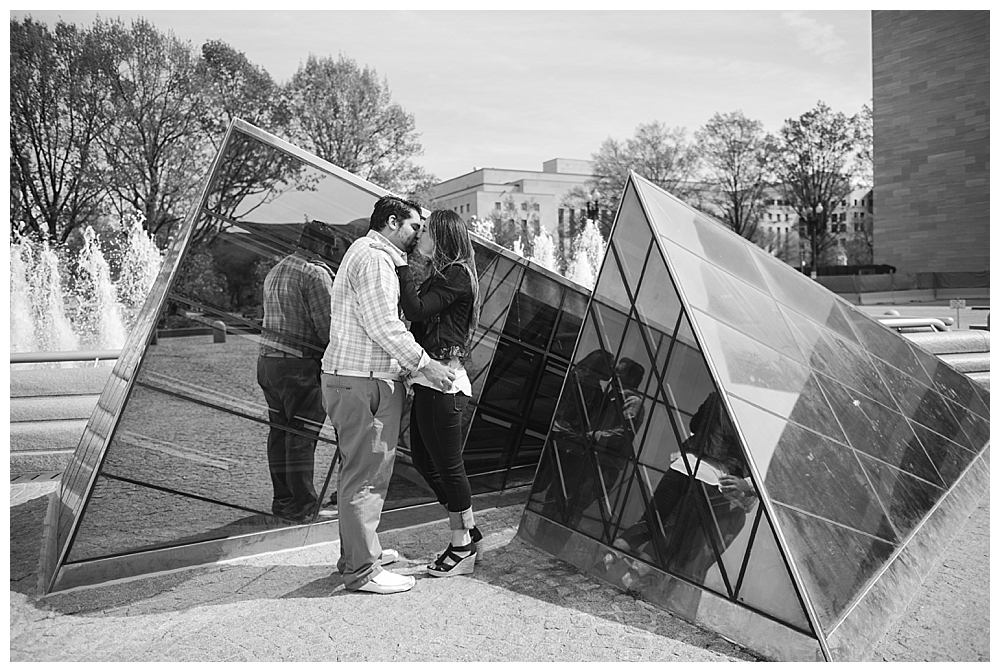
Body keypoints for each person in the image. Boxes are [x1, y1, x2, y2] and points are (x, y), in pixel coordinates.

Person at [321, 195, 455, 595]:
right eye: (415, 226)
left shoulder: (363, 252)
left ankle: (359, 556)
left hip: (353, 378)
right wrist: (424, 364)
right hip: (365, 382)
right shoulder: (376, 259)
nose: (418, 235)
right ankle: (363, 572)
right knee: (366, 478)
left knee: (357, 474)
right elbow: (383, 324)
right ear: (393, 222)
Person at [396, 209, 483, 577]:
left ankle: (462, 546)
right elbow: (417, 320)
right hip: (429, 380)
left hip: (444, 384)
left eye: (427, 231)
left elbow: (415, 307)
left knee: (448, 467)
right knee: (424, 461)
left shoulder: (459, 275)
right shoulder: (443, 274)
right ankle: (469, 527)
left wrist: (398, 265)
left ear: (444, 236)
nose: (422, 237)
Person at [612, 391, 756, 586]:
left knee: (647, 522)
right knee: (669, 534)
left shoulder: (716, 395)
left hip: (683, 466)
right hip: (709, 478)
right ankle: (629, 582)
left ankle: (604, 563)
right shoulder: (752, 415)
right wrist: (746, 483)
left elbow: (695, 424)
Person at [257, 221, 339, 523]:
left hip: (268, 362)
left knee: (279, 432)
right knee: (302, 435)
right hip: (298, 364)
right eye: (329, 248)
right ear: (320, 245)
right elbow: (327, 330)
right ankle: (304, 507)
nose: (329, 254)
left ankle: (284, 502)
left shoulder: (276, 270)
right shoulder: (314, 274)